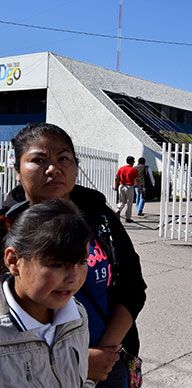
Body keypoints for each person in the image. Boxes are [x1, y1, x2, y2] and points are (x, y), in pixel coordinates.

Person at [2, 123, 147, 387]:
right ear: (18, 170)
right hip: (32, 371)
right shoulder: (6, 227)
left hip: (109, 359)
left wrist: (103, 351)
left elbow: (132, 287)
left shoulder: (100, 216)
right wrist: (77, 359)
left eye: (63, 158)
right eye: (38, 160)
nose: (53, 168)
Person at [0, 199, 94, 387]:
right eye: (57, 264)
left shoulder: (77, 315)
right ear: (13, 261)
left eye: (82, 262)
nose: (73, 278)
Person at [115, 156, 139, 223]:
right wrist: (139, 187)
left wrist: (116, 186)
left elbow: (117, 178)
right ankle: (128, 218)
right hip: (129, 187)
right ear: (132, 162)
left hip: (121, 186)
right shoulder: (134, 170)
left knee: (121, 201)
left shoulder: (121, 168)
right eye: (134, 161)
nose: (134, 162)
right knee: (129, 202)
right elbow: (137, 180)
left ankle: (118, 210)